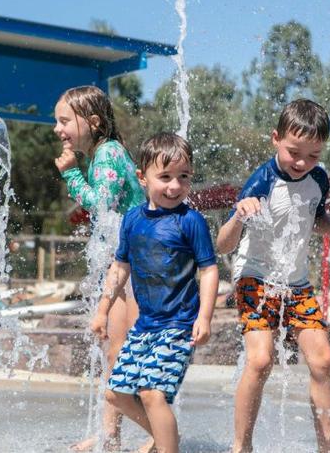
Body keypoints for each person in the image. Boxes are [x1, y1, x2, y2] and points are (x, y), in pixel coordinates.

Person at [216, 99, 330, 453]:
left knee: (324, 359)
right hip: (254, 278)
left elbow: (316, 221)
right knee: (261, 359)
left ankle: (327, 447)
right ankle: (241, 446)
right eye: (294, 152)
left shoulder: (319, 178)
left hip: (296, 283)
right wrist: (239, 215)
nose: (302, 163)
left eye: (313, 155)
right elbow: (223, 245)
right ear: (276, 138)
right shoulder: (261, 181)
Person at [91, 132, 219, 453]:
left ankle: (167, 447)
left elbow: (209, 270)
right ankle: (168, 441)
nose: (175, 186)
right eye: (164, 177)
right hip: (145, 326)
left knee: (151, 393)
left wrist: (204, 317)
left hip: (179, 325)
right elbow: (120, 267)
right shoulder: (132, 219)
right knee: (116, 394)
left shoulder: (191, 222)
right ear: (142, 178)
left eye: (184, 177)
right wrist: (103, 309)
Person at [52, 85, 152, 452]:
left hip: (139, 266)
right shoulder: (104, 153)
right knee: (115, 351)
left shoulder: (108, 154)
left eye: (64, 120)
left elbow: (102, 204)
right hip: (126, 264)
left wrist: (71, 175)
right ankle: (110, 436)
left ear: (92, 122)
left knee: (133, 352)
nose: (57, 129)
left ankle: (161, 433)